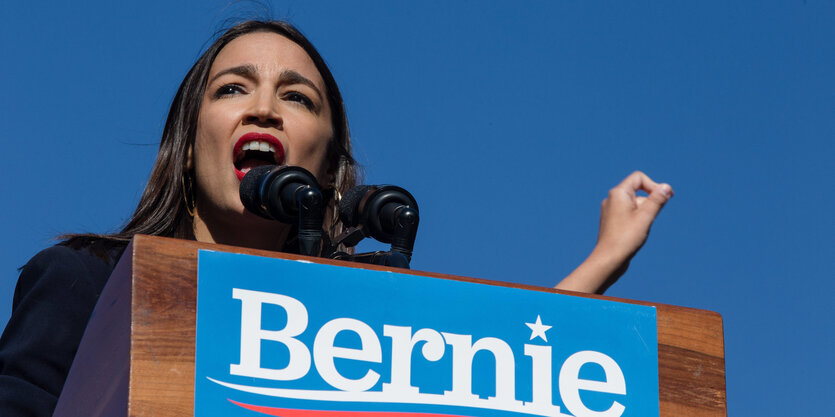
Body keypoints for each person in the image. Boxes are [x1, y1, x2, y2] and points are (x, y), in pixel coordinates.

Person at [0, 20, 672, 417]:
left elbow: (494, 383)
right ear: (185, 147)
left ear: (327, 170)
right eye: (232, 88)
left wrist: (601, 260)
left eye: (297, 97)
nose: (263, 108)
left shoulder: (366, 319)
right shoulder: (85, 281)